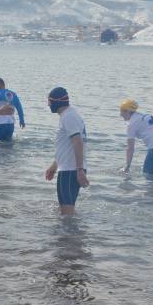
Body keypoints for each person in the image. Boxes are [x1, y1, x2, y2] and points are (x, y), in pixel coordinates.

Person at [44, 87, 89, 215]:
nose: (48, 104)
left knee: (67, 212)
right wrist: (54, 165)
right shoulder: (68, 115)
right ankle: (68, 234)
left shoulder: (69, 116)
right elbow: (66, 146)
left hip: (71, 169)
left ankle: (71, 235)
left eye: (49, 101)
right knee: (65, 210)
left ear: (57, 102)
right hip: (67, 168)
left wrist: (79, 170)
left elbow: (78, 142)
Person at [119, 99, 153, 174]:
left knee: (147, 175)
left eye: (121, 111)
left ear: (127, 111)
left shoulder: (132, 124)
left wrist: (127, 167)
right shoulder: (146, 116)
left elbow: (130, 148)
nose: (120, 114)